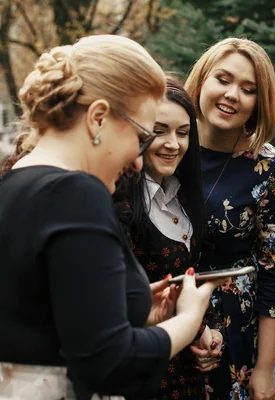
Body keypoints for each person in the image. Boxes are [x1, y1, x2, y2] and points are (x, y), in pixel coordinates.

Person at [0, 35, 220, 399]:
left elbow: (41, 320)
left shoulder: (14, 183)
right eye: (141, 136)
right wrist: (188, 320)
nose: (137, 160)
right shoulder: (76, 194)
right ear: (98, 117)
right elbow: (108, 364)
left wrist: (125, 307)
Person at [184, 38, 275, 400]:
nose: (232, 95)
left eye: (247, 89)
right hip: (163, 315)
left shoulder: (270, 169)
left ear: (259, 103)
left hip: (237, 328)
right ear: (202, 80)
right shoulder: (168, 144)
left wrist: (264, 367)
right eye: (223, 79)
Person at [114, 77, 222, 399]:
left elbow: (187, 274)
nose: (173, 143)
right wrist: (195, 325)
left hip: (183, 365)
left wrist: (208, 330)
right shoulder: (120, 200)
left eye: (183, 132)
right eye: (159, 130)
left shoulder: (181, 194)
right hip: (143, 366)